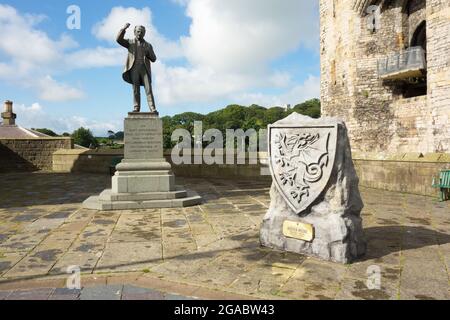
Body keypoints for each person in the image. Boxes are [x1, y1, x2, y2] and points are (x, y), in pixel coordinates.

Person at [116, 23, 157, 113]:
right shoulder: (130, 42)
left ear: (144, 33)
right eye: (138, 31)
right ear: (134, 32)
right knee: (135, 89)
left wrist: (148, 53)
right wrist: (123, 28)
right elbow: (118, 40)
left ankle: (152, 108)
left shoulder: (148, 45)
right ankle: (136, 107)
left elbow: (154, 59)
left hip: (144, 69)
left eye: (142, 32)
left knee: (148, 89)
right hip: (134, 68)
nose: (140, 33)